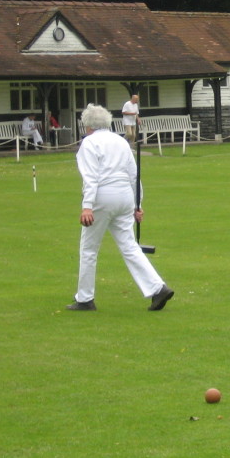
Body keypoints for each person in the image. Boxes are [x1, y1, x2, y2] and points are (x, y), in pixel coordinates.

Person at [66, 103, 174, 312]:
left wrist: (87, 206)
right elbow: (135, 174)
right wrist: (137, 204)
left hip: (102, 197)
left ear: (87, 126)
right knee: (129, 246)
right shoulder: (121, 142)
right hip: (124, 196)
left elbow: (90, 178)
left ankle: (85, 299)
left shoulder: (89, 143)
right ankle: (158, 288)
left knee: (89, 249)